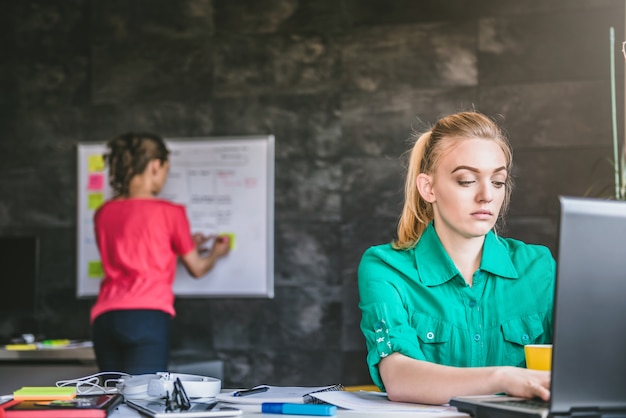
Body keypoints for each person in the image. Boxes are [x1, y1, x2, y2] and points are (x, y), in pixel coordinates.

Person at [357, 111, 556, 405]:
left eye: (498, 182)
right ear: (429, 188)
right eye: (466, 181)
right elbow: (398, 377)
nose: (487, 195)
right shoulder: (385, 267)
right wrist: (503, 378)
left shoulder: (539, 267)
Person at [90, 132, 231, 375]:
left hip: (105, 317)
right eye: (166, 169)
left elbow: (134, 253)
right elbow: (197, 269)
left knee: (112, 400)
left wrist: (178, 246)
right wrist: (217, 253)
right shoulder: (171, 212)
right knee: (143, 399)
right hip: (146, 316)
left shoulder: (104, 212)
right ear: (156, 166)